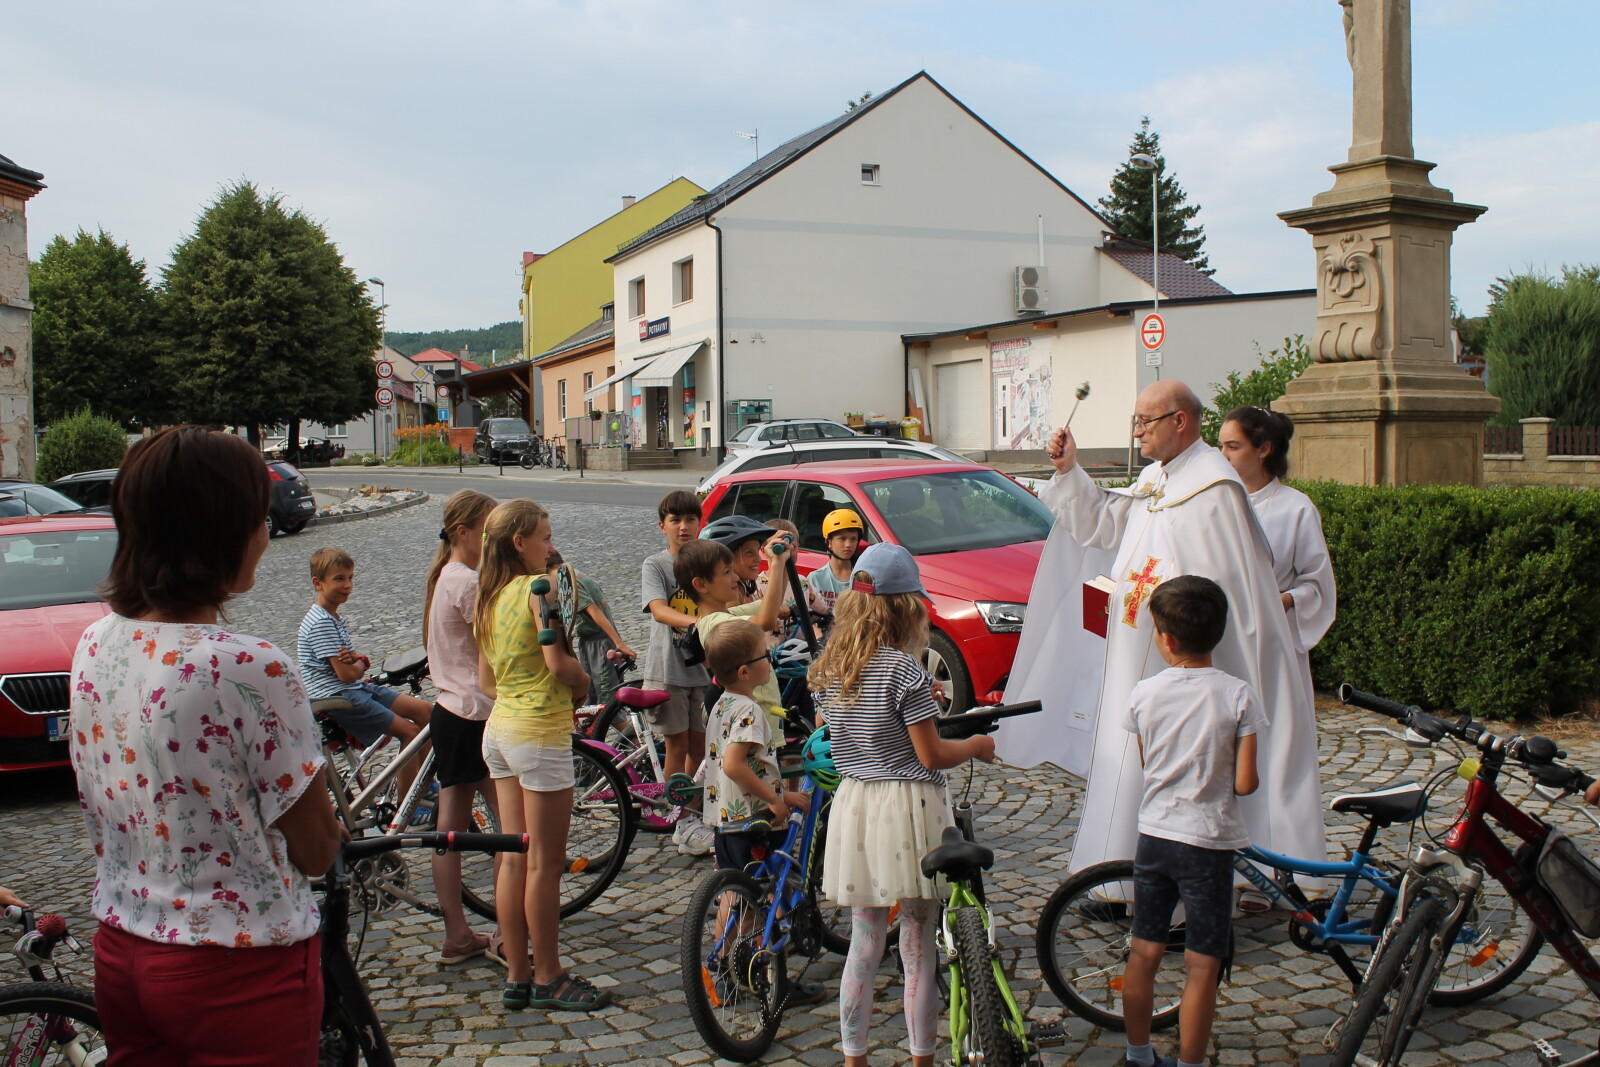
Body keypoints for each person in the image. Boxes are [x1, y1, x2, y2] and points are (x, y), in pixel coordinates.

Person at [69, 426, 342, 1065]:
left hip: (123, 944)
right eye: (256, 518)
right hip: (236, 966)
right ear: (219, 531)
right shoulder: (247, 666)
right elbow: (315, 849)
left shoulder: (95, 642)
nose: (265, 534)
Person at [998, 379, 1322, 876]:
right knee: (1128, 765)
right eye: (1136, 422)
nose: (1137, 432)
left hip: (1180, 664)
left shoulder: (1213, 489)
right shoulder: (1159, 476)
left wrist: (1170, 618)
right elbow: (1106, 522)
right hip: (1137, 654)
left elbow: (1220, 592)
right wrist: (1069, 470)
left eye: (1145, 422)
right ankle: (1121, 875)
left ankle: (1191, 884)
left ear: (1180, 421)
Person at [811, 542, 996, 1067]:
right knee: (917, 943)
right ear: (908, 608)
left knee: (864, 940)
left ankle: (854, 1057)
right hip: (910, 806)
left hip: (857, 802)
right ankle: (921, 1059)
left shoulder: (833, 667)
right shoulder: (903, 670)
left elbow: (841, 729)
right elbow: (931, 754)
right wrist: (976, 745)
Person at [1120, 575, 1264, 1067]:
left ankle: (1139, 1054)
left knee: (1144, 952)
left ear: (1167, 639)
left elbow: (1148, 762)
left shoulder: (1144, 694)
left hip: (1155, 837)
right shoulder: (1238, 695)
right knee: (1203, 964)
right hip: (1208, 843)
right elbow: (1245, 783)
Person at [475, 498, 610, 1012]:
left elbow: (487, 681)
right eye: (545, 537)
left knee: (513, 859)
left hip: (500, 732)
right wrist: (583, 679)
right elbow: (558, 664)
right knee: (546, 864)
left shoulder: (487, 599)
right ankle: (549, 975)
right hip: (537, 734)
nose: (551, 547)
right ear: (520, 542)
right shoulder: (538, 589)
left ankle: (517, 975)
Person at [1218, 406, 1337, 907]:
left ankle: (1286, 872)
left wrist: (1282, 599)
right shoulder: (1216, 501)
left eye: (1233, 446)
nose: (1223, 455)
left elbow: (1317, 583)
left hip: (1273, 654)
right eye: (1221, 446)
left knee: (1279, 758)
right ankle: (1231, 868)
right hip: (1224, 648)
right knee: (1226, 758)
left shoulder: (1295, 509)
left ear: (1263, 449)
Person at [422, 488, 504, 966]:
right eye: (487, 532)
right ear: (463, 532)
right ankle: (506, 933)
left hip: (451, 711)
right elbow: (496, 647)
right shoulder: (467, 581)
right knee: (509, 829)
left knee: (448, 833)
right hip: (475, 712)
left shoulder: (445, 576)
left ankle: (457, 933)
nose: (493, 540)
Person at [297, 546, 433, 798]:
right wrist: (359, 665)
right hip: (338, 696)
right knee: (411, 733)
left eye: (350, 578)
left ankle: (424, 783)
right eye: (339, 579)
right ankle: (410, 801)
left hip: (353, 689)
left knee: (426, 712)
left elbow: (352, 660)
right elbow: (347, 674)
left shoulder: (332, 617)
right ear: (317, 583)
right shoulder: (320, 623)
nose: (347, 585)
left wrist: (357, 662)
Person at [641, 490, 715, 856]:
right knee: (677, 745)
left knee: (701, 746)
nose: (683, 527)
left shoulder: (707, 561)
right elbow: (658, 609)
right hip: (668, 669)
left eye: (690, 519)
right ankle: (678, 815)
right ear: (662, 526)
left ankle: (692, 814)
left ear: (700, 523)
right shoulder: (656, 565)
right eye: (675, 520)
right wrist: (698, 623)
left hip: (703, 671)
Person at [675, 534, 790, 726]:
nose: (736, 577)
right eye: (727, 572)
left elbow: (774, 602)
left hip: (766, 718)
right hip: (753, 723)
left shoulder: (727, 613)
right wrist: (776, 564)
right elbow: (766, 620)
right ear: (701, 585)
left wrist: (782, 561)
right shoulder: (715, 624)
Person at [544, 548, 636, 705]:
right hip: (588, 640)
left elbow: (594, 611)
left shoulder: (565, 581)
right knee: (589, 697)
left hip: (601, 642)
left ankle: (621, 722)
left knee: (607, 700)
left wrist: (619, 643)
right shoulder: (566, 575)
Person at [806, 509, 866, 612]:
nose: (848, 544)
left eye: (853, 539)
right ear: (829, 542)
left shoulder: (862, 578)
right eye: (842, 538)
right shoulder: (815, 578)